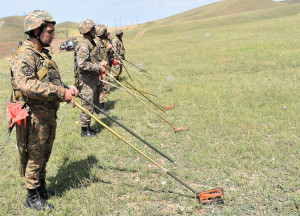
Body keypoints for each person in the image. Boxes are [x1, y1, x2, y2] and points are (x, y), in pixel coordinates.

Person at [10, 10, 78, 211]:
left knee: (44, 154)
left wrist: (66, 89)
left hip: (47, 114)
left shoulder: (42, 54)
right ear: (36, 31)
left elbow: (49, 80)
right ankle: (31, 197)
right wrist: (60, 92)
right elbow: (27, 85)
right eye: (50, 32)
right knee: (34, 156)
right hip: (34, 116)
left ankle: (41, 190)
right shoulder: (24, 55)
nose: (54, 35)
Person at [74, 19, 107, 137]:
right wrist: (98, 67)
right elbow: (82, 64)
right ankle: (84, 131)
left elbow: (92, 60)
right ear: (87, 30)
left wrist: (100, 64)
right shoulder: (83, 45)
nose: (95, 31)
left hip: (91, 80)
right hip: (86, 81)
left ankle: (88, 128)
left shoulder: (90, 44)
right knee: (87, 106)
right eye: (93, 29)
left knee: (91, 104)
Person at [93, 24, 113, 114]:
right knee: (104, 88)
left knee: (104, 88)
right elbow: (94, 57)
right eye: (104, 31)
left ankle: (100, 108)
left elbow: (104, 54)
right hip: (100, 70)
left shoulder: (102, 42)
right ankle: (100, 109)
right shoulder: (96, 43)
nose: (106, 33)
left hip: (104, 68)